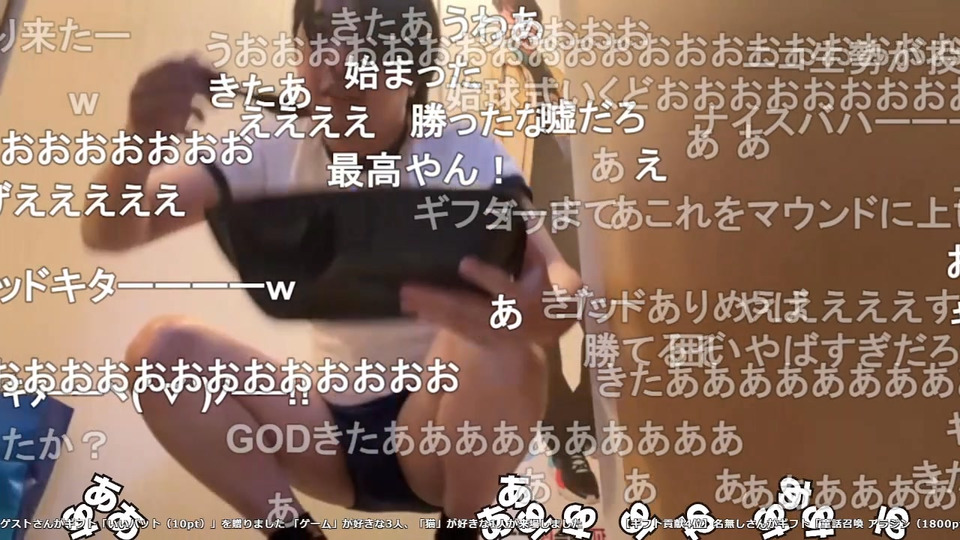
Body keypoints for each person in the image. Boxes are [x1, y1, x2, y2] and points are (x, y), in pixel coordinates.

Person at [79, 0, 583, 539]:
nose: (336, 64)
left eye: (366, 45)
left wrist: (536, 312)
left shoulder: (463, 150)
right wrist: (139, 139)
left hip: (441, 433)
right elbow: (111, 231)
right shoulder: (274, 144)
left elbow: (559, 276)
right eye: (319, 38)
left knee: (498, 336)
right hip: (329, 437)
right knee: (162, 353)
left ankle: (464, 529)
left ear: (414, 69)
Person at [447, 0, 601, 503]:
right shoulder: (483, 58)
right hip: (522, 205)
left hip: (569, 198)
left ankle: (582, 415)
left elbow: (573, 126)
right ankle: (565, 442)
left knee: (599, 309)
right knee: (543, 323)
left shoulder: (550, 62)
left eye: (526, 11)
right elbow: (473, 133)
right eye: (513, 11)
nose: (521, 19)